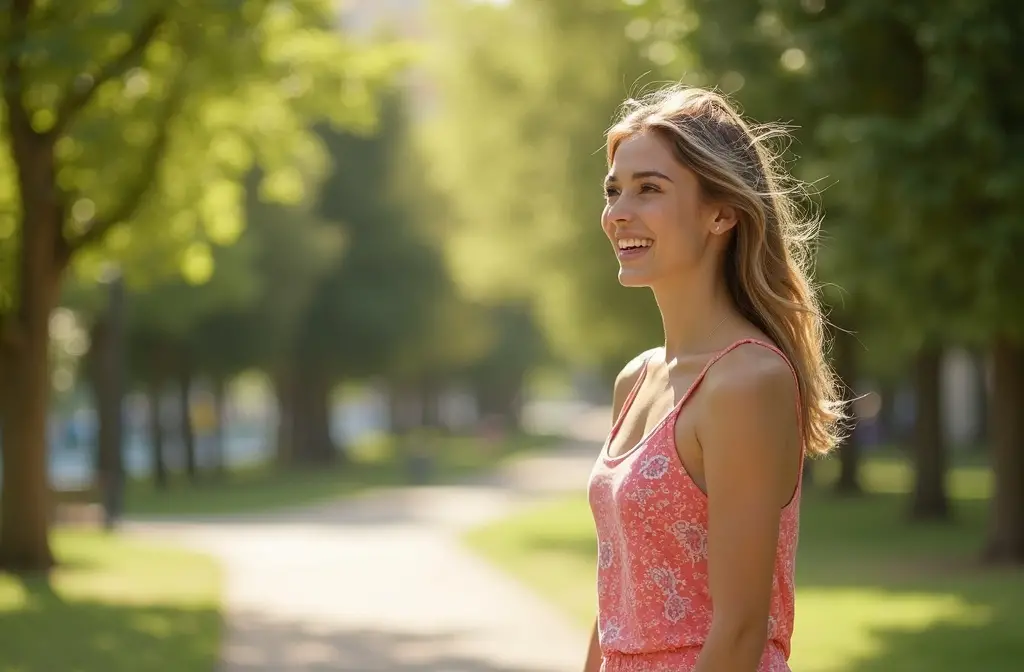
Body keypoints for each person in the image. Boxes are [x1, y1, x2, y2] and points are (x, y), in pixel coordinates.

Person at [584, 85, 844, 672]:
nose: (618, 211)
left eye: (649, 188)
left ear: (721, 213)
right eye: (613, 190)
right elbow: (614, 607)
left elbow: (740, 630)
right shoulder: (638, 379)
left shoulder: (747, 381)